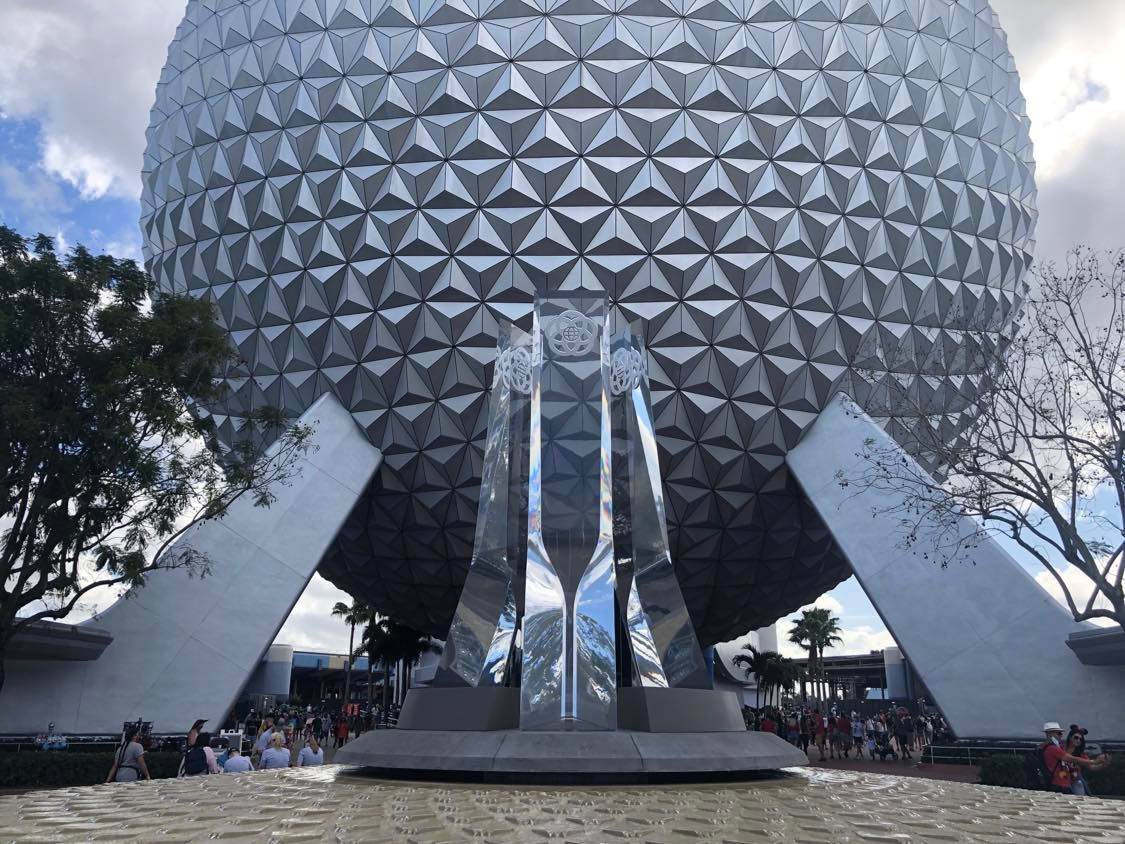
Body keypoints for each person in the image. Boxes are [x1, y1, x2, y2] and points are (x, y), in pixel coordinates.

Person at [1041, 722, 1110, 795]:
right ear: (1070, 737)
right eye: (1076, 737)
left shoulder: (1081, 755)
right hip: (1060, 783)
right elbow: (1071, 758)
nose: (1078, 740)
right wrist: (1095, 761)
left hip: (1072, 783)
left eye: (1080, 739)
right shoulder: (1059, 748)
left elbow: (1092, 767)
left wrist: (1104, 764)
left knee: (1079, 785)